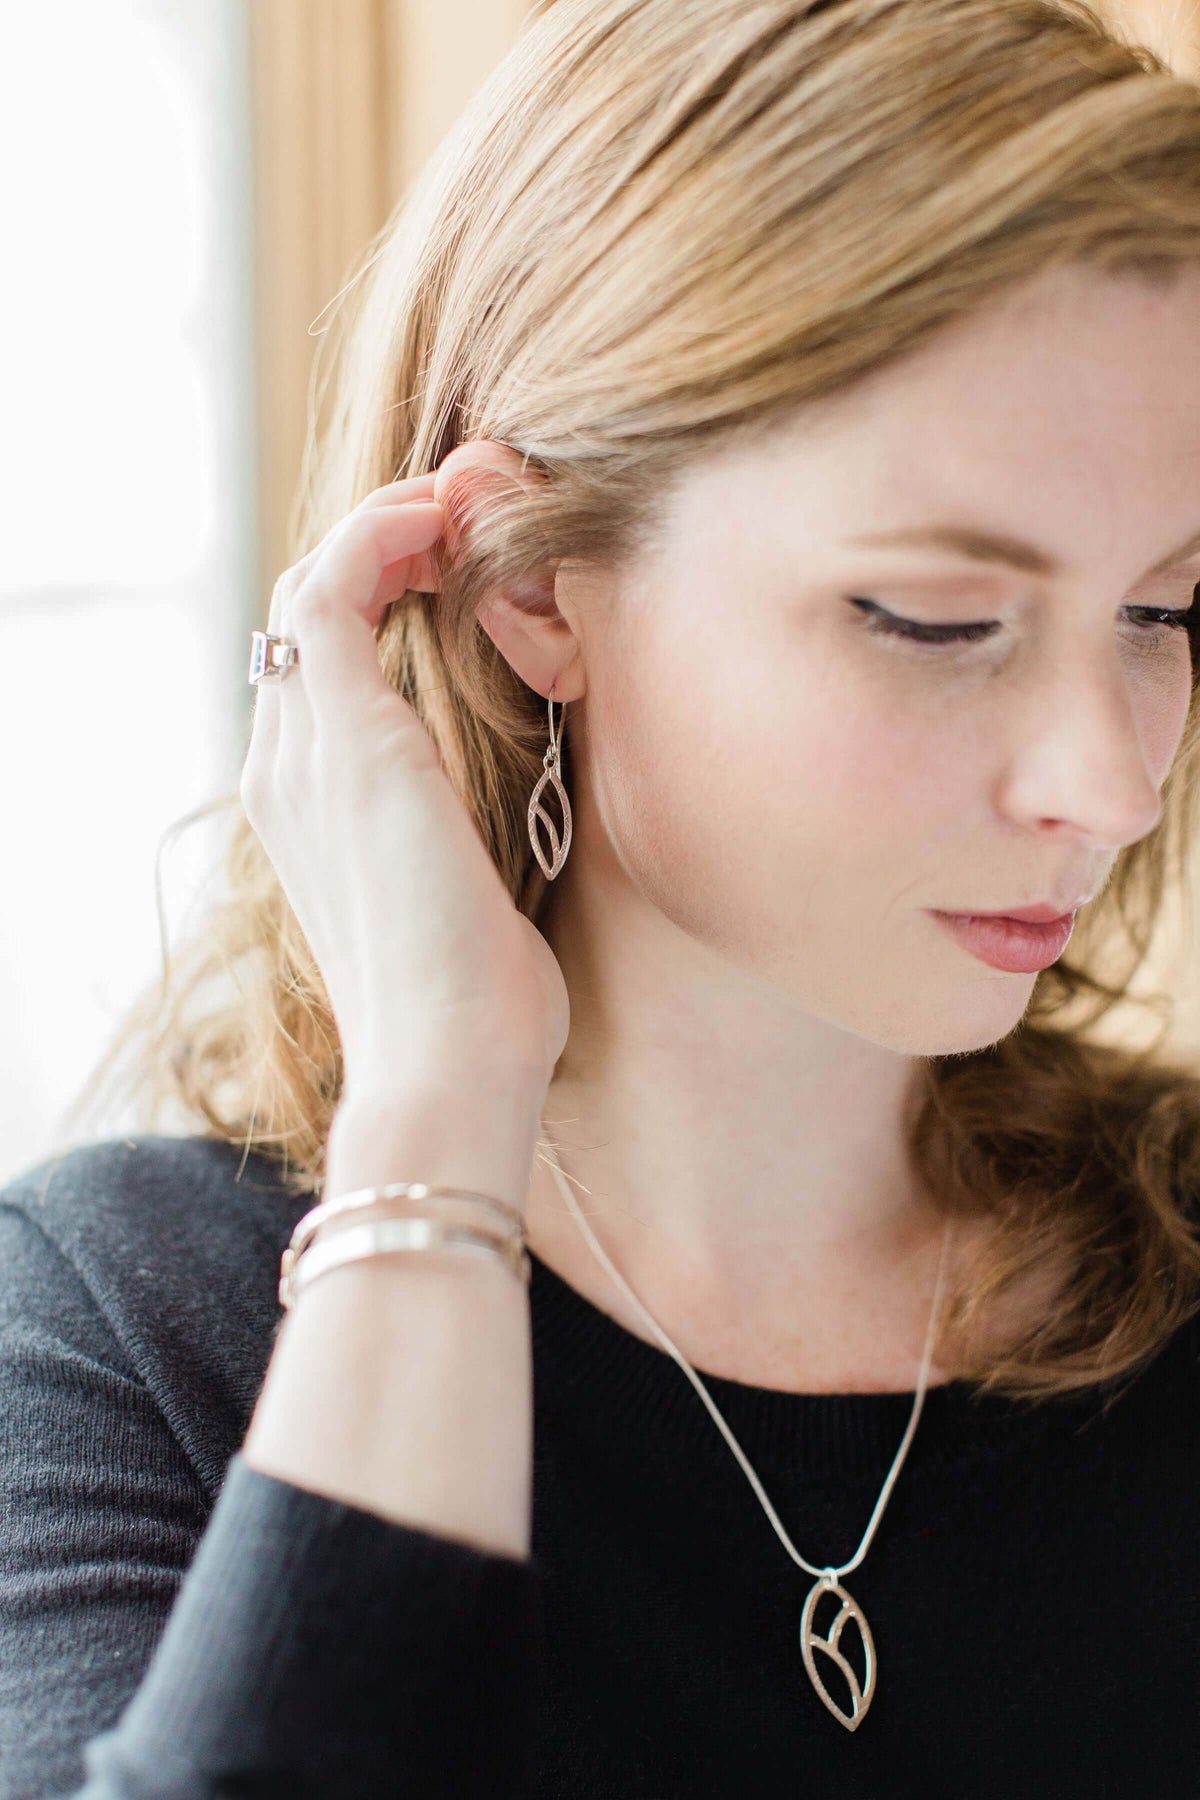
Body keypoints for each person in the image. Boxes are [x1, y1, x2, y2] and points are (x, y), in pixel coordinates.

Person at [4, 0, 1200, 1793]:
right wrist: (442, 1103)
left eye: (1167, 612)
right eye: (938, 622)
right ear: (539, 583)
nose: (1112, 780)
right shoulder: (115, 1333)